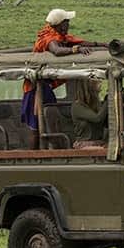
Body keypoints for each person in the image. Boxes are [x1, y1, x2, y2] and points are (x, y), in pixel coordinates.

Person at [21, 9, 106, 146]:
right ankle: (34, 156)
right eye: (66, 22)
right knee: (35, 125)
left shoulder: (59, 36)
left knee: (46, 118)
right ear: (59, 24)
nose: (68, 25)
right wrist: (75, 50)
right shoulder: (49, 39)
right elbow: (56, 50)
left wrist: (101, 45)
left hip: (45, 88)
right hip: (35, 89)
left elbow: (77, 41)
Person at [71, 78, 108, 148]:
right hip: (85, 144)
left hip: (99, 142)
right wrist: (109, 100)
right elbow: (97, 118)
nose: (100, 81)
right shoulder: (77, 106)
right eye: (96, 80)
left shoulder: (96, 103)